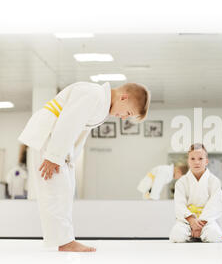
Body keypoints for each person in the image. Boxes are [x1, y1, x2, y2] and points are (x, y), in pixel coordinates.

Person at [18, 82, 151, 252]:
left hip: (55, 141)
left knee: (65, 189)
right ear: (123, 97)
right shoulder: (94, 95)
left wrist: (68, 159)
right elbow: (68, 123)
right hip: (48, 136)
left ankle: (65, 240)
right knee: (56, 190)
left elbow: (78, 132)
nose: (124, 117)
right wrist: (53, 157)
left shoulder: (100, 104)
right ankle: (65, 242)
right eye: (128, 113)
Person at [169, 143, 222, 243]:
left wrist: (201, 223)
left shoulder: (214, 181)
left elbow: (215, 204)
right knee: (177, 236)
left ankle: (198, 234)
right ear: (188, 161)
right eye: (192, 159)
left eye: (200, 158)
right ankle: (192, 234)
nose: (196, 162)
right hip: (187, 220)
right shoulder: (181, 182)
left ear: (206, 161)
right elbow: (179, 204)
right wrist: (191, 221)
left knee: (214, 236)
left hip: (207, 221)